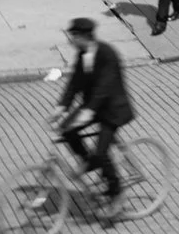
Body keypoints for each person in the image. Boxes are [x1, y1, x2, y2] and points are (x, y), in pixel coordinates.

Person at [58, 17, 135, 206]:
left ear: (84, 36)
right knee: (67, 129)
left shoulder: (107, 53)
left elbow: (105, 86)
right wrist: (61, 107)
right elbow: (74, 84)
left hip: (113, 110)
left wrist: (89, 111)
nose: (71, 40)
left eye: (74, 36)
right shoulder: (82, 55)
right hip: (92, 108)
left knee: (101, 152)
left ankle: (116, 194)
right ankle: (89, 163)